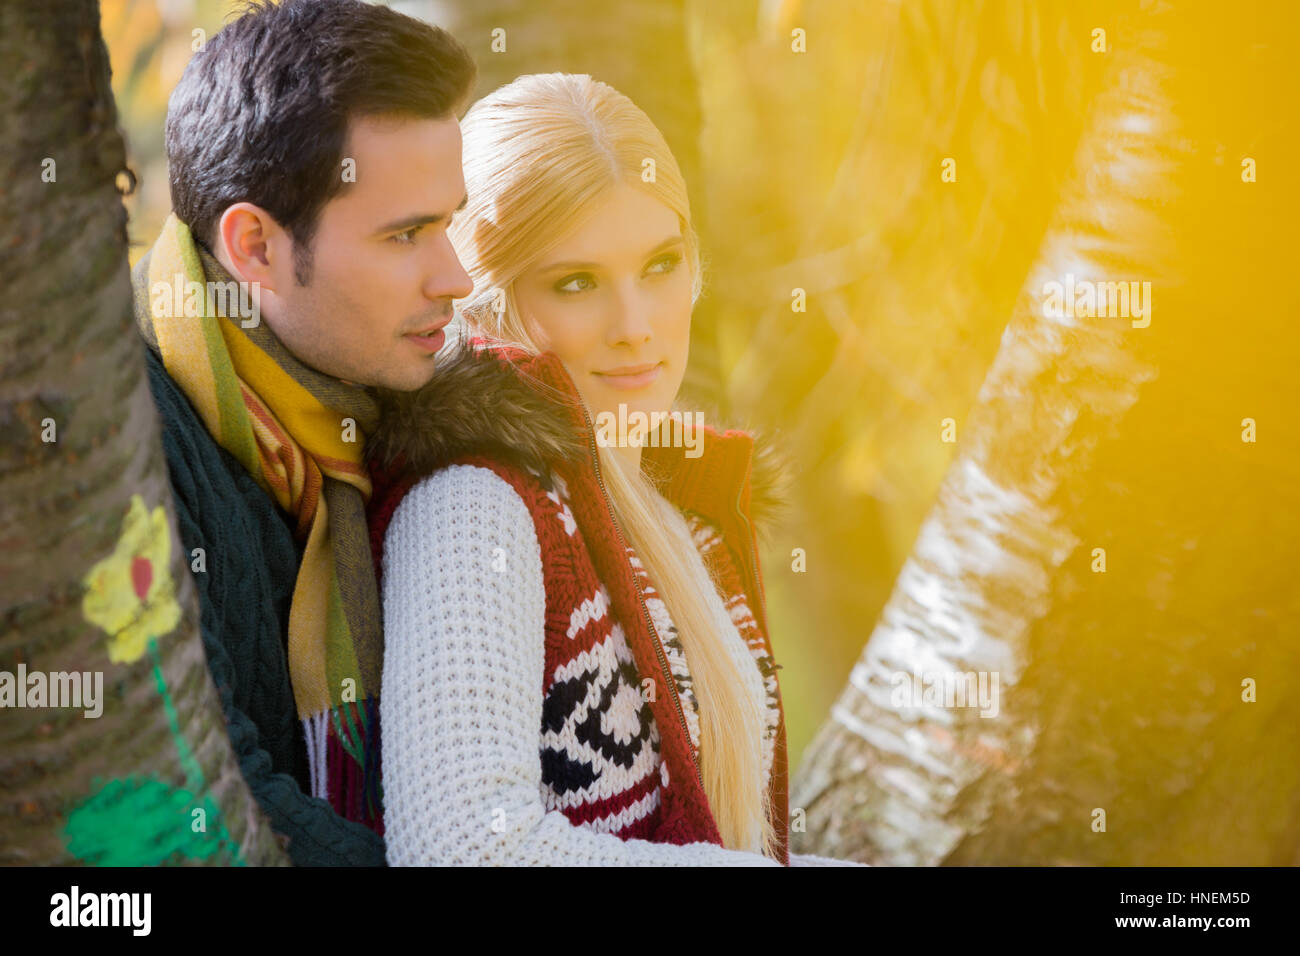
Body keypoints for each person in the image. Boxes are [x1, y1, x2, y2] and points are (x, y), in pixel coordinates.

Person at [368, 72, 859, 866]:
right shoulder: (474, 503)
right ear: (491, 296)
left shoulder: (683, 505)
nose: (636, 326)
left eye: (661, 266)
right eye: (577, 283)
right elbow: (461, 849)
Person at [133, 0, 476, 864]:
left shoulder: (388, 415)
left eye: (451, 222)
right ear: (254, 248)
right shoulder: (120, 448)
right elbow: (202, 799)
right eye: (406, 235)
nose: (457, 276)